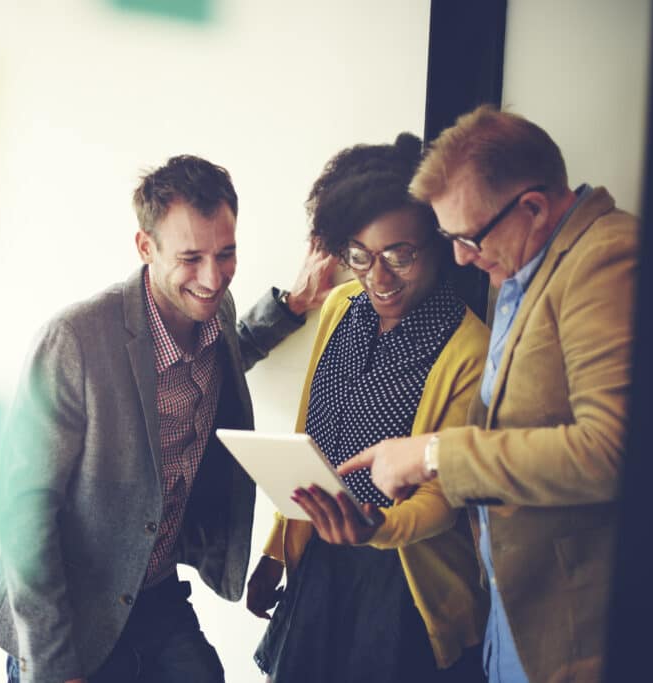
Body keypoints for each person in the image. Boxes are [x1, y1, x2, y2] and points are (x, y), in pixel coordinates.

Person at [0, 154, 336, 683]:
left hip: (156, 593)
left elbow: (227, 354)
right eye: (190, 257)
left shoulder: (214, 307)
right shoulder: (74, 341)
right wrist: (53, 666)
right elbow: (23, 514)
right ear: (146, 247)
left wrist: (292, 306)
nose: (213, 278)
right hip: (70, 614)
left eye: (227, 253)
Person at [339, 106, 638, 683]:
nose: (459, 258)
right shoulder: (524, 264)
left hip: (569, 631)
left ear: (532, 206)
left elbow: (613, 450)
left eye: (468, 237)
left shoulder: (606, 256)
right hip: (511, 613)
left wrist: (432, 453)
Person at [247, 133, 490, 682]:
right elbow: (312, 443)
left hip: (403, 587)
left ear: (437, 239)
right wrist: (278, 548)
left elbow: (444, 499)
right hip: (321, 565)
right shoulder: (340, 305)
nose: (378, 278)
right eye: (359, 256)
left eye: (398, 256)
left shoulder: (467, 348)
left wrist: (374, 527)